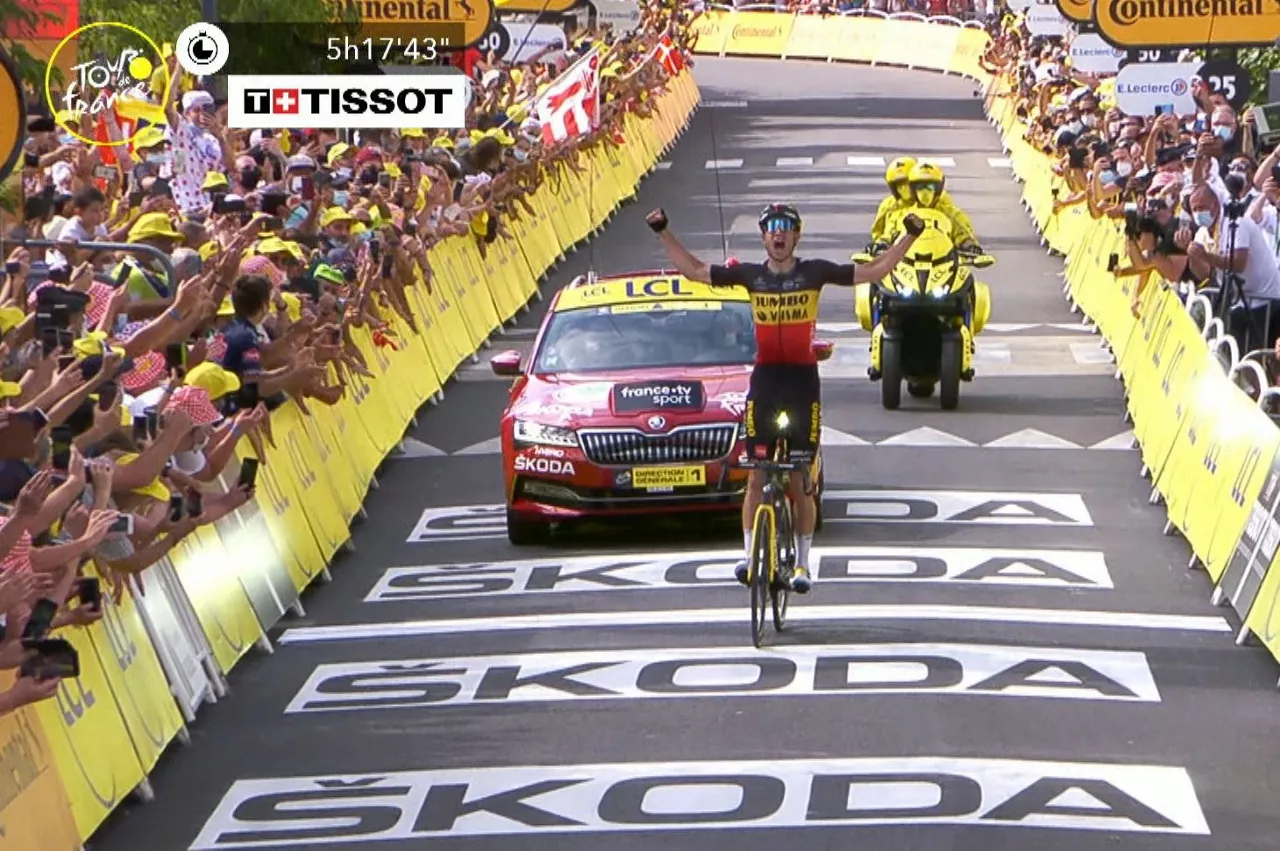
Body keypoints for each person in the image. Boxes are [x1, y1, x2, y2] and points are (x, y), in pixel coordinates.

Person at [645, 203, 925, 593]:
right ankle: (748, 557)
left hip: (801, 383)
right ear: (763, 237)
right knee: (756, 475)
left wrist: (909, 236)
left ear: (796, 236)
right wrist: (662, 230)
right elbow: (695, 271)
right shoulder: (750, 276)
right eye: (772, 228)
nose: (779, 233)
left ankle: (804, 564)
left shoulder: (815, 272)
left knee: (800, 478)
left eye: (786, 227)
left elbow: (874, 271)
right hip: (765, 381)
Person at [870, 159, 979, 249]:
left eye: (930, 187)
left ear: (938, 189)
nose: (925, 193)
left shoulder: (951, 213)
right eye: (920, 187)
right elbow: (886, 234)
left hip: (942, 258)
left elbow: (963, 234)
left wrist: (969, 245)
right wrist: (881, 244)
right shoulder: (898, 214)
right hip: (907, 260)